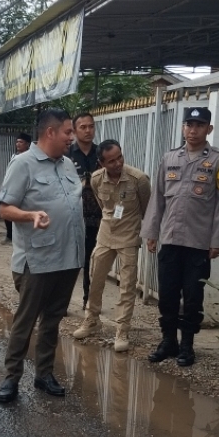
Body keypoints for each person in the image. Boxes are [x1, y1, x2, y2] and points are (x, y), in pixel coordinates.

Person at [0, 108, 84, 404]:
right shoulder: (24, 164)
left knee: (53, 320)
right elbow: (5, 208)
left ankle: (44, 373)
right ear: (50, 133)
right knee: (26, 319)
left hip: (68, 257)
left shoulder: (68, 165)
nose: (72, 138)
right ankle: (11, 377)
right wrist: (30, 214)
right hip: (36, 259)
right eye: (68, 132)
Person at [144, 106, 219, 367]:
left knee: (193, 297)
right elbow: (157, 198)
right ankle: (168, 341)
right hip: (170, 240)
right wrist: (152, 233)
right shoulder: (169, 158)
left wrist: (218, 240)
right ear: (183, 127)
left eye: (199, 125)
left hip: (198, 244)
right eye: (188, 124)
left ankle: (187, 345)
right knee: (168, 294)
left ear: (209, 129)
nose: (192, 130)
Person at [73, 140, 152, 352]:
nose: (117, 163)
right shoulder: (97, 179)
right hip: (105, 235)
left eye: (120, 157)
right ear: (101, 163)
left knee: (127, 287)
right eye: (111, 161)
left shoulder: (139, 179)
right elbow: (103, 206)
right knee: (95, 279)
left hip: (128, 238)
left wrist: (148, 235)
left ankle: (122, 330)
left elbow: (147, 211)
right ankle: (91, 321)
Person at [67, 112, 101, 307]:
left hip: (97, 215)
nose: (88, 131)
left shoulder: (102, 153)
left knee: (93, 260)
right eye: (83, 127)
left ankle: (90, 301)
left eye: (91, 126)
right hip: (72, 215)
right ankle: (62, 302)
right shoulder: (67, 155)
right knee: (70, 260)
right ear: (74, 130)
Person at [3, 133, 33, 244]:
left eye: (21, 142)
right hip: (13, 188)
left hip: (25, 189)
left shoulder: (31, 158)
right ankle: (9, 236)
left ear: (27, 144)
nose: (18, 144)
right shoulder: (14, 157)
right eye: (17, 142)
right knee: (8, 211)